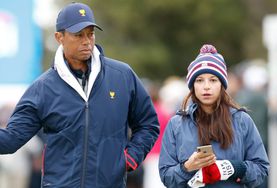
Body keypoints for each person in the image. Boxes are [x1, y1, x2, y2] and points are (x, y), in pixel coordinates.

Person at [0, 2, 159, 188]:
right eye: (78, 35)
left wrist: (129, 159)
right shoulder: (42, 88)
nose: (87, 41)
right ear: (59, 37)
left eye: (90, 34)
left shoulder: (122, 76)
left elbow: (148, 124)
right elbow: (11, 139)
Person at [159, 44, 269, 188]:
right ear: (192, 85)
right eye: (199, 80)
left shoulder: (242, 120)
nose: (206, 86)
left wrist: (234, 168)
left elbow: (261, 169)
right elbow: (166, 177)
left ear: (222, 84)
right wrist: (186, 167)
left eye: (213, 80)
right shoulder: (177, 123)